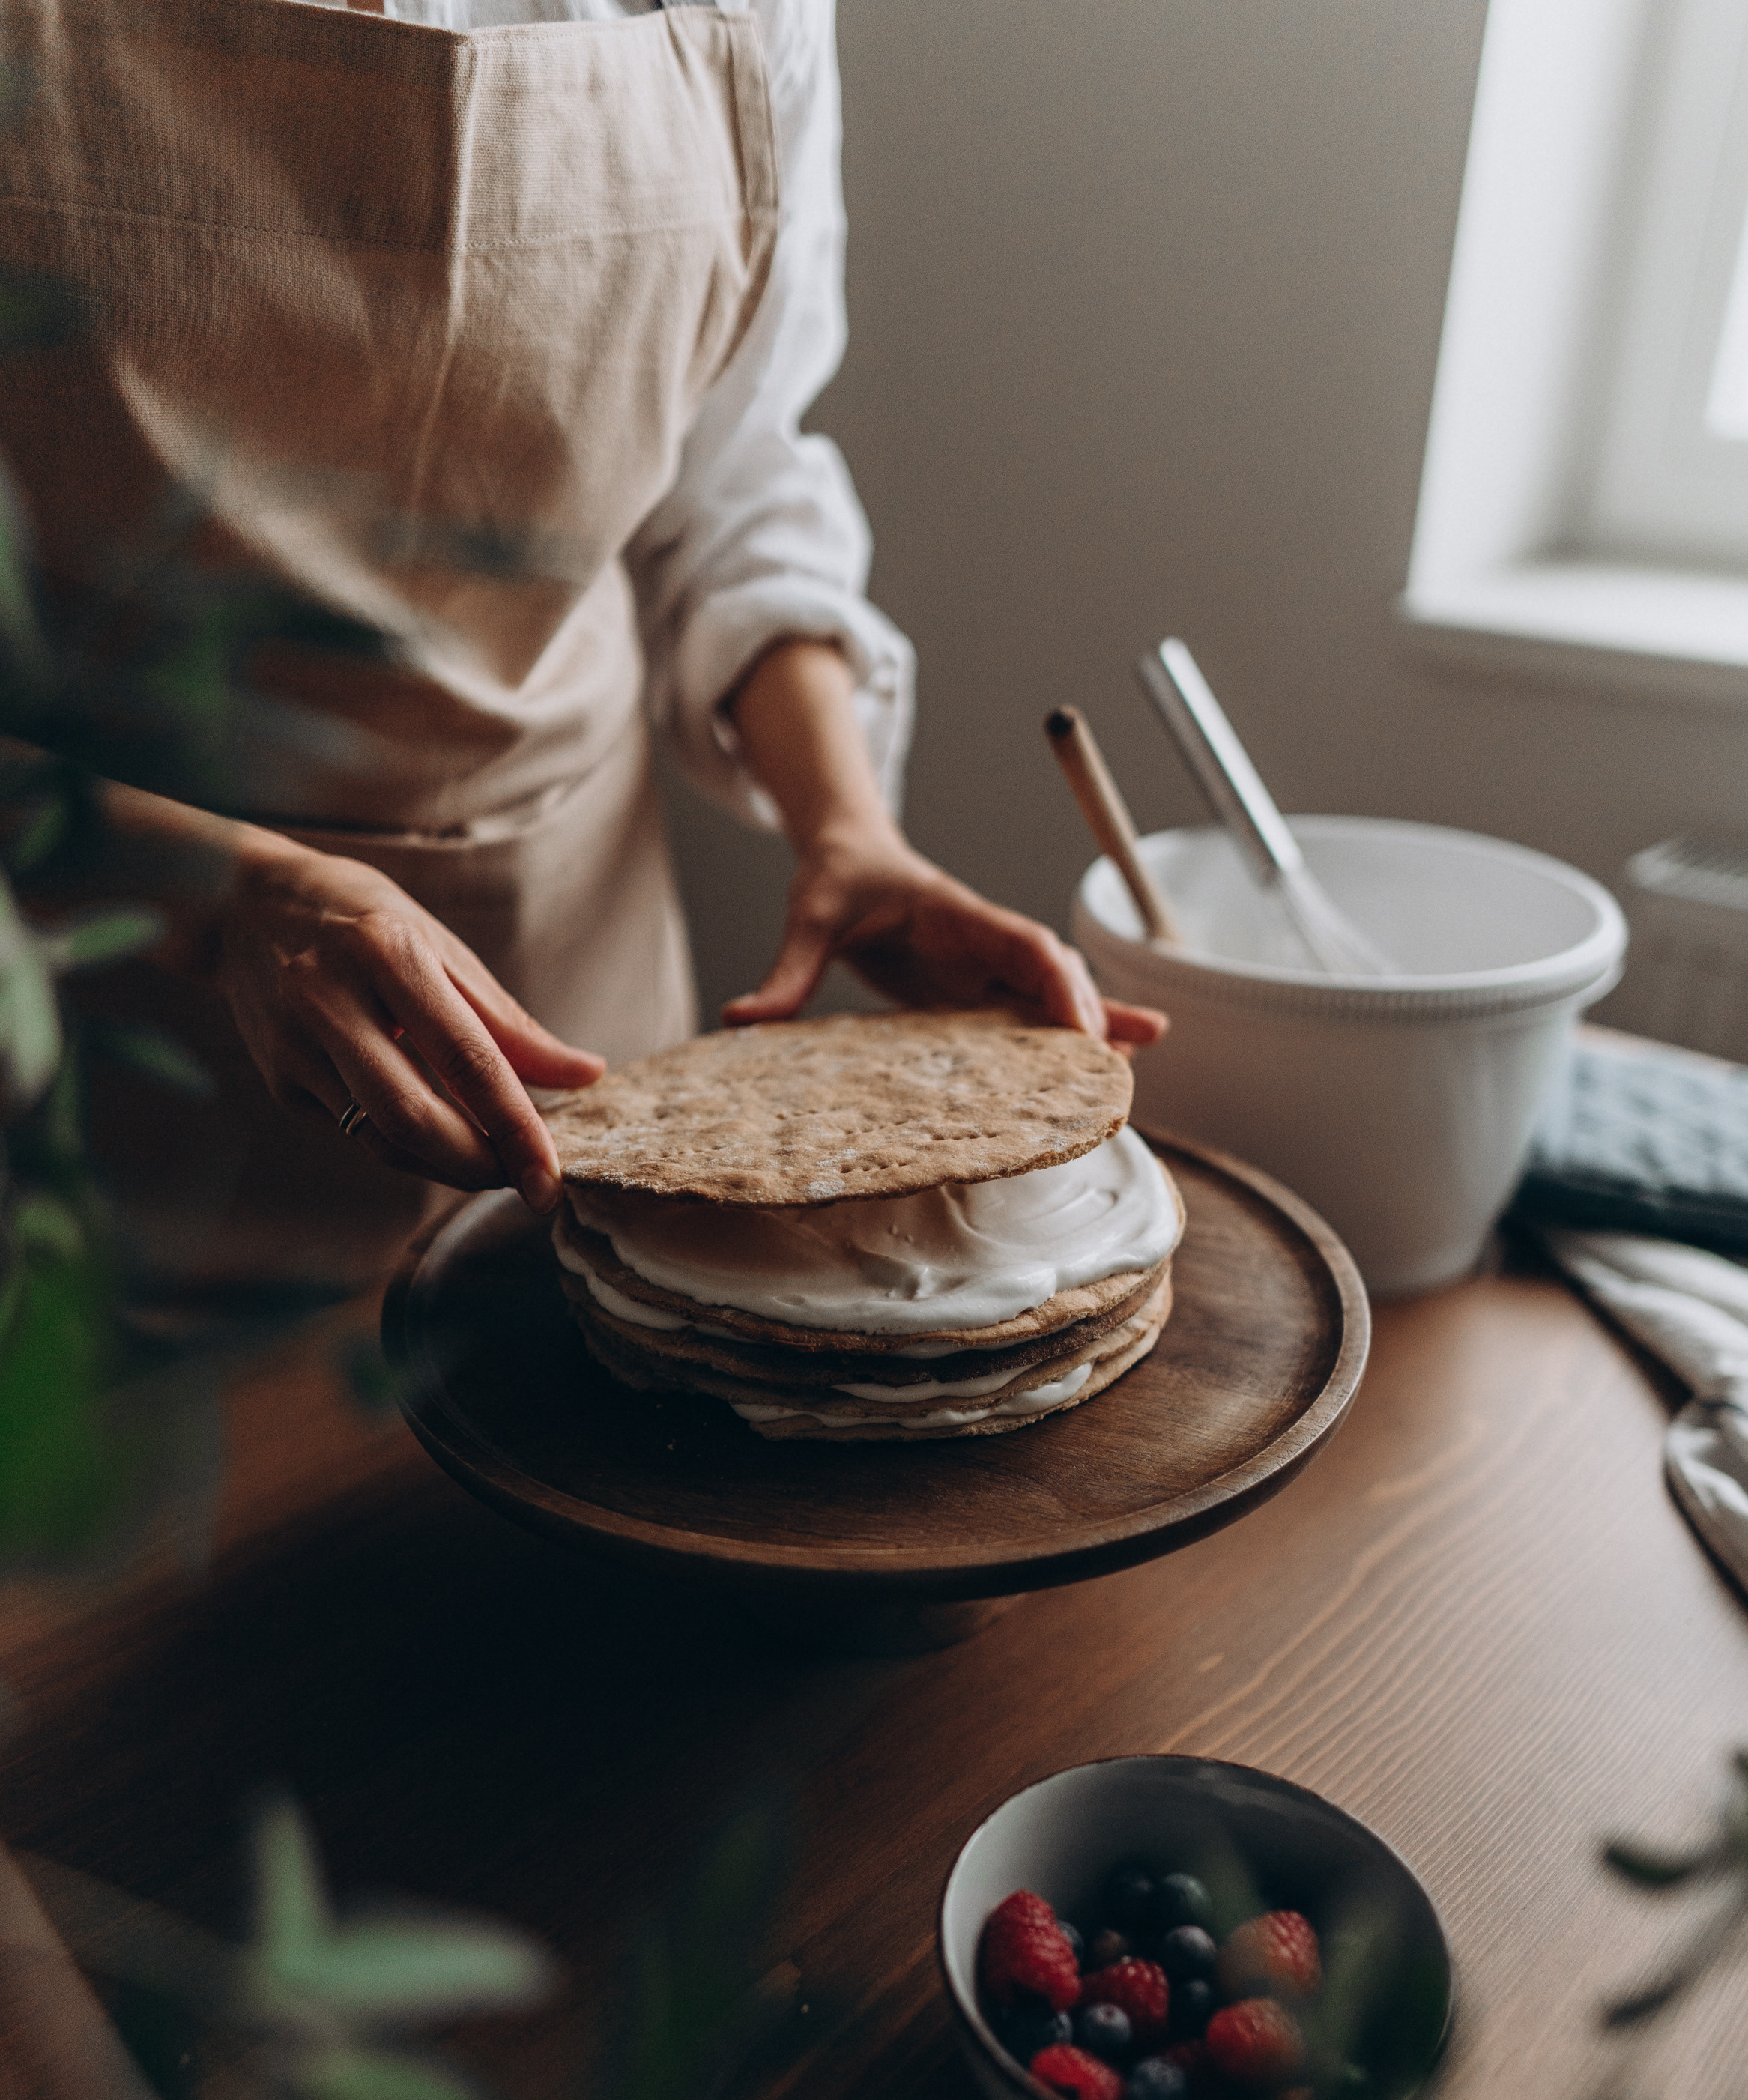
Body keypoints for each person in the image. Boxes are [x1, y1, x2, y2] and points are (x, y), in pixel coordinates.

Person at [0, 0, 1158, 1270]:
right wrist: (219, 897)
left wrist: (850, 830)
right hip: (79, 1056)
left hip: (578, 1046)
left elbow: (728, 485)